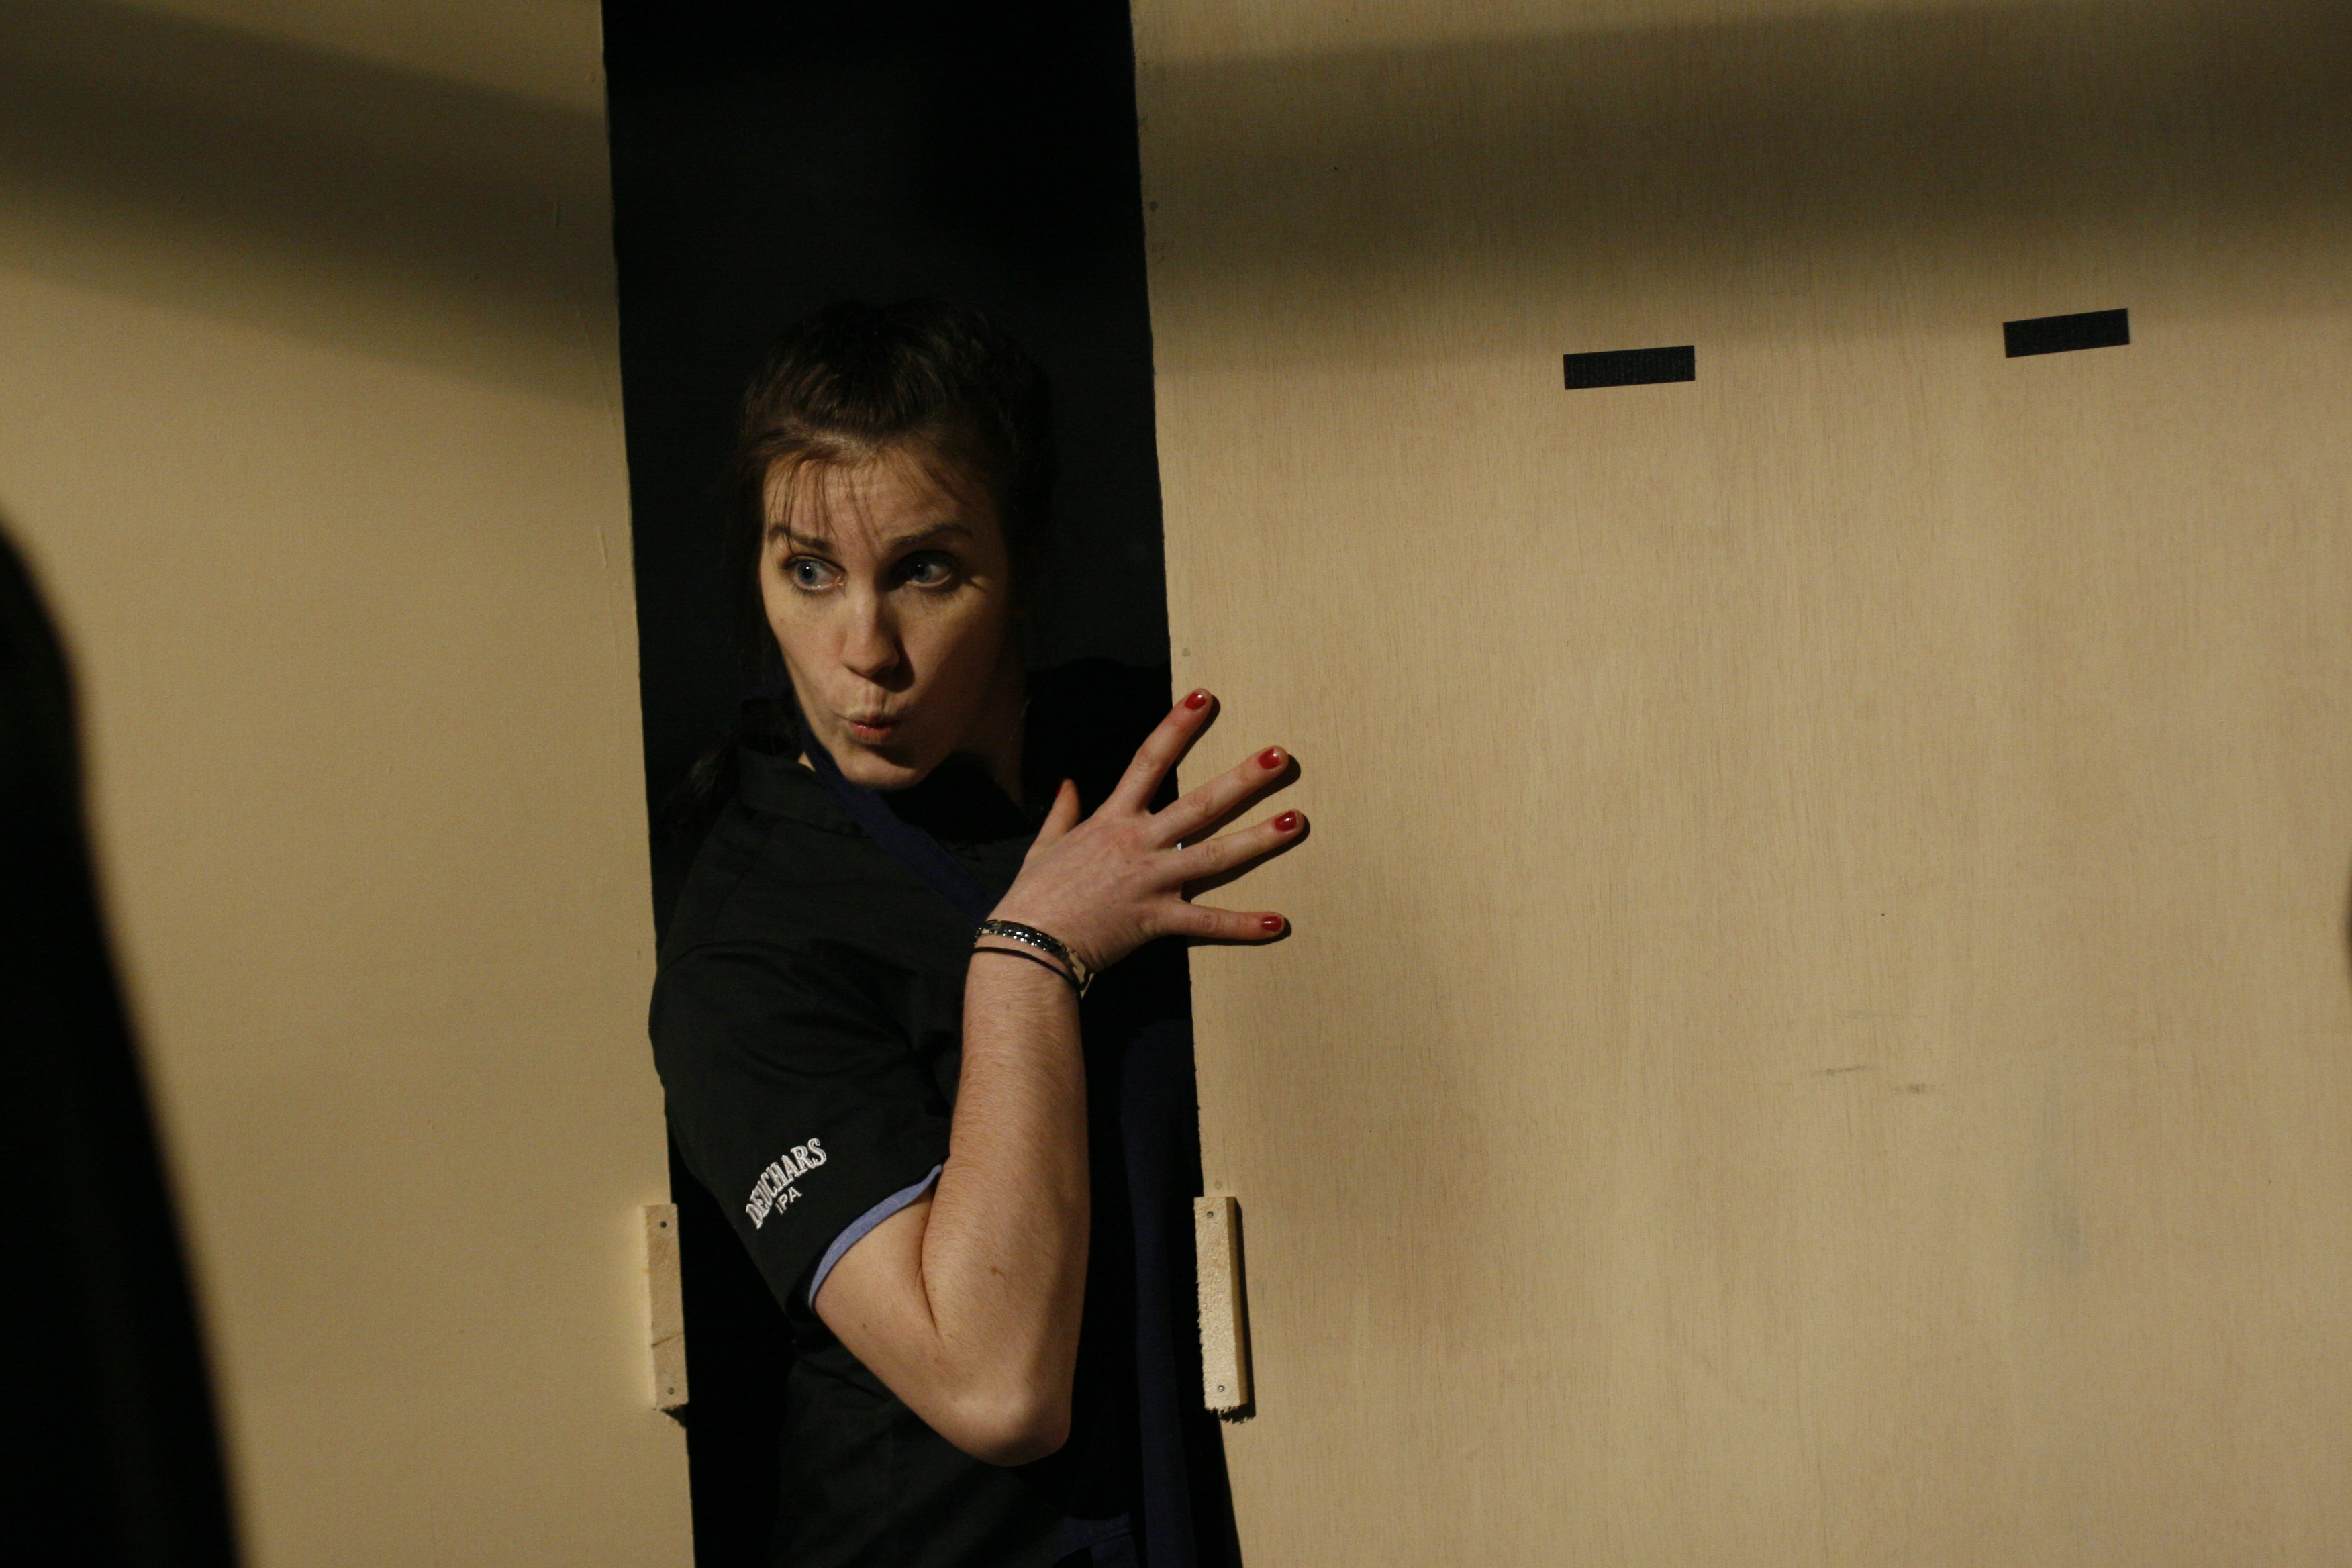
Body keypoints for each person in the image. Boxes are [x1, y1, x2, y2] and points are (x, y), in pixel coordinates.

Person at [650, 299, 1304, 1568]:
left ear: (1028, 563)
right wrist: (1025, 963)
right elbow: (993, 1387)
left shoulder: (1149, 748)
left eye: (926, 571)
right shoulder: (750, 945)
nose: (864, 655)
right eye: (809, 572)